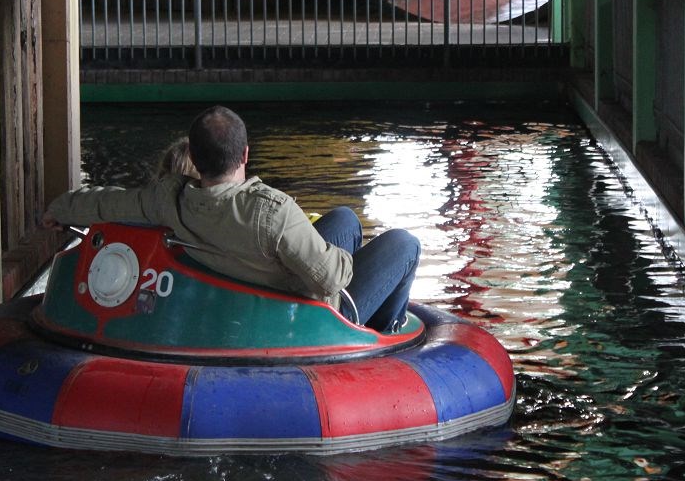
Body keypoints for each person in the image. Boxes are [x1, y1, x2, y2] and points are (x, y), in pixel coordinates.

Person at [43, 106, 419, 332]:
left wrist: (60, 209)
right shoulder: (273, 212)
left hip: (244, 289)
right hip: (301, 312)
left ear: (195, 156)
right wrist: (339, 256)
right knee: (404, 243)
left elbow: (107, 202)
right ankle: (377, 337)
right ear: (245, 155)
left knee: (344, 219)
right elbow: (334, 277)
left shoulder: (167, 199)